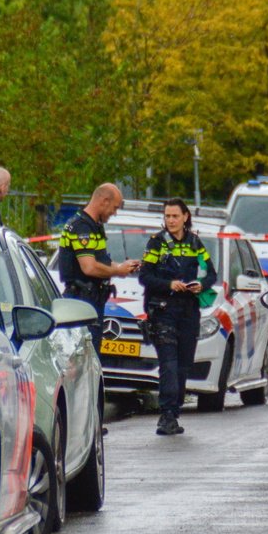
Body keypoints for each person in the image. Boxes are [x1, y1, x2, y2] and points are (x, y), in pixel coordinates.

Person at [139, 198, 218, 436]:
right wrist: (169, 284)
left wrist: (200, 285)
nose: (171, 220)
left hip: (189, 311)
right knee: (169, 364)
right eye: (167, 216)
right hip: (163, 310)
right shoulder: (157, 243)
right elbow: (145, 276)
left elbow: (211, 274)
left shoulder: (195, 243)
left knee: (183, 365)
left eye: (175, 216)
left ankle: (176, 411)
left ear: (185, 217)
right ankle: (167, 415)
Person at [56, 183, 140, 352]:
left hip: (92, 299)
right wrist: (118, 271)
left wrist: (123, 266)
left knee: (91, 358)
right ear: (104, 201)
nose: (114, 213)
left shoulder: (94, 226)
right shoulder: (82, 227)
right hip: (81, 301)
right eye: (114, 208)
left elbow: (100, 261)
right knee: (81, 358)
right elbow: (89, 268)